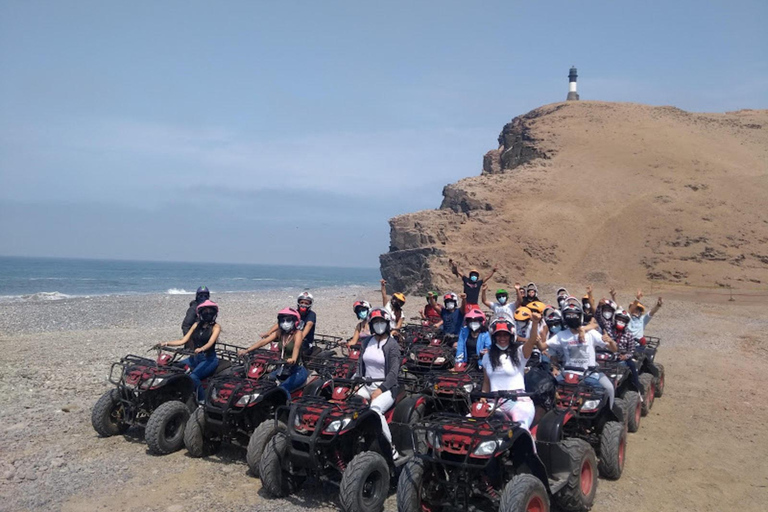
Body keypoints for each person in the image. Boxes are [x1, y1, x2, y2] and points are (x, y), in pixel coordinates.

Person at [539, 300, 618, 408]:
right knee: (547, 389)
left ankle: (609, 412)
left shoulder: (590, 333)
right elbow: (542, 347)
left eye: (574, 315)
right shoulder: (562, 335)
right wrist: (536, 328)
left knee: (609, 388)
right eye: (569, 315)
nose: (572, 317)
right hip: (567, 374)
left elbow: (613, 349)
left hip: (590, 373)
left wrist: (610, 341)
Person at [354, 308, 403, 459]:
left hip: (386, 388)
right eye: (375, 322)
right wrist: (356, 382)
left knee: (375, 409)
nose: (378, 325)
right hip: (366, 385)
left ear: (387, 324)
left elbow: (393, 374)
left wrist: (380, 389)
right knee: (349, 403)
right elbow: (360, 365)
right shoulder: (366, 342)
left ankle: (391, 447)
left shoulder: (392, 345)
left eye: (381, 322)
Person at [480, 313, 541, 430]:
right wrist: (483, 397)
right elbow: (486, 383)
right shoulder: (487, 357)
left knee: (520, 429)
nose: (502, 338)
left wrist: (535, 323)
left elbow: (532, 340)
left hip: (518, 402)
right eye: (498, 335)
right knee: (474, 424)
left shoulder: (519, 353)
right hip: (494, 402)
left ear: (511, 335)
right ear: (493, 337)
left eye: (505, 335)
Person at [162, 300, 220, 402]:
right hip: (194, 358)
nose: (208, 314)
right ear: (201, 313)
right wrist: (166, 343)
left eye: (211, 312)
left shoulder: (216, 327)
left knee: (193, 377)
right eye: (205, 312)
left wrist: (202, 348)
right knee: (173, 367)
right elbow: (183, 340)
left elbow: (211, 342)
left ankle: (202, 402)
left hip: (208, 359)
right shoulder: (196, 325)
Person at [240, 308, 308, 392]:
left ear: (295, 321)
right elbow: (264, 341)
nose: (285, 323)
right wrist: (247, 350)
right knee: (265, 382)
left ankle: (287, 404)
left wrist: (293, 359)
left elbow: (296, 347)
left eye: (288, 320)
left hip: (297, 369)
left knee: (283, 389)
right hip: (282, 369)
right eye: (283, 320)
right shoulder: (280, 332)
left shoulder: (298, 333)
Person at [259, 292, 317, 358]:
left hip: (304, 341)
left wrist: (300, 338)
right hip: (289, 337)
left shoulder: (311, 314)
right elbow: (282, 322)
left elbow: (309, 325)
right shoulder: (294, 313)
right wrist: (269, 332)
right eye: (302, 302)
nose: (303, 305)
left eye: (306, 303)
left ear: (310, 304)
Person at [608, 309, 644, 396]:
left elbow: (631, 350)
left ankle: (636, 387)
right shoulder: (609, 332)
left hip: (622, 358)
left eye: (624, 320)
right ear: (615, 319)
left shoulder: (629, 335)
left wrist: (625, 356)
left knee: (632, 366)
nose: (621, 322)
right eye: (619, 319)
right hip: (608, 357)